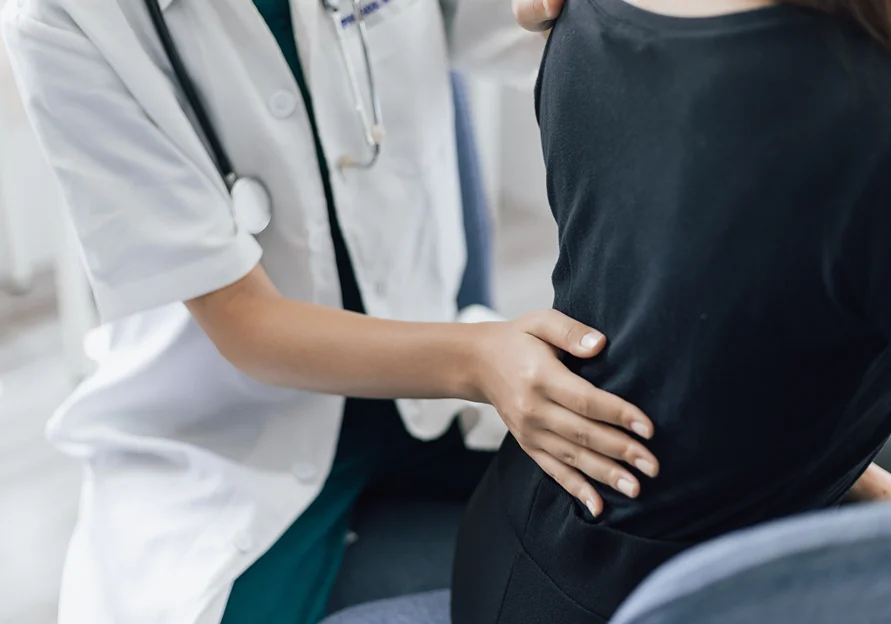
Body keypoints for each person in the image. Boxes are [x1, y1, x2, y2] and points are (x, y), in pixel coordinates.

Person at [1, 1, 663, 623]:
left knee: (646, 532)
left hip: (427, 400)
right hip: (233, 438)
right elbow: (245, 323)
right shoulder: (65, 16)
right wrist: (479, 359)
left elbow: (525, 23)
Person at [452, 1, 891, 622]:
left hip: (526, 541)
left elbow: (708, 339)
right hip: (674, 597)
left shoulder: (584, 10)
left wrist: (868, 489)